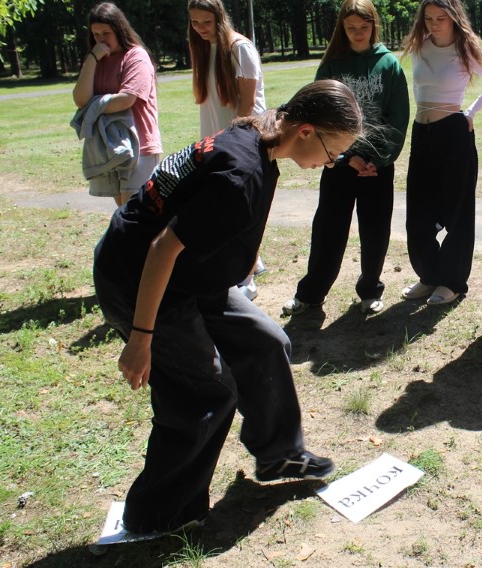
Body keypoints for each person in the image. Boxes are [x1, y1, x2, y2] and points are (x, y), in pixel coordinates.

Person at [93, 80, 362, 535]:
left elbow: (203, 214)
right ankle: (158, 515)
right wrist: (141, 338)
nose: (332, 162)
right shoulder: (243, 172)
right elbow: (162, 248)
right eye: (333, 152)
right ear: (305, 130)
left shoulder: (259, 138)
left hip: (189, 275)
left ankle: (279, 455)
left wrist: (242, 253)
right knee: (205, 393)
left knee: (266, 341)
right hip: (138, 279)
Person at [282, 0, 409, 316]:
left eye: (363, 27)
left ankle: (370, 289)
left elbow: (398, 119)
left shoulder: (389, 65)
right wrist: (346, 156)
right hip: (337, 161)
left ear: (373, 25)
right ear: (342, 28)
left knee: (375, 230)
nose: (358, 33)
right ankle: (311, 293)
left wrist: (378, 159)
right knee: (329, 229)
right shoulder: (332, 65)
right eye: (351, 27)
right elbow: (318, 113)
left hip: (377, 167)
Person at [400, 0, 482, 306]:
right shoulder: (420, 45)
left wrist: (471, 112)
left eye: (440, 18)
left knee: (458, 212)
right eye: (428, 18)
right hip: (422, 133)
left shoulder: (466, 47)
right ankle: (429, 276)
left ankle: (452, 282)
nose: (433, 24)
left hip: (453, 134)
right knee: (418, 212)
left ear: (454, 17)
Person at [188, 0, 267, 300]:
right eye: (195, 22)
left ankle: (246, 279)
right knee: (222, 210)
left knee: (242, 211)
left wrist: (234, 145)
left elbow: (247, 106)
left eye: (206, 22)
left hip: (240, 141)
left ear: (220, 18)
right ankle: (250, 264)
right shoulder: (204, 49)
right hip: (215, 141)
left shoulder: (239, 49)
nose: (201, 28)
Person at [73, 2, 161, 207]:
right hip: (110, 146)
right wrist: (92, 58)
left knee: (134, 213)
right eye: (96, 34)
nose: (101, 39)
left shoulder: (136, 56)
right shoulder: (97, 60)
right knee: (124, 210)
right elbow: (80, 99)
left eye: (106, 33)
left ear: (120, 30)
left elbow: (126, 99)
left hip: (140, 147)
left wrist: (93, 106)